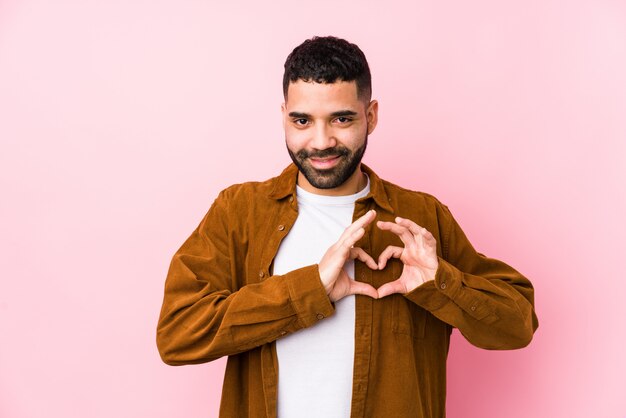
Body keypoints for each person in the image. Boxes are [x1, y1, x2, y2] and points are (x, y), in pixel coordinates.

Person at [156, 35, 539, 418]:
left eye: (342, 118)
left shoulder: (421, 216)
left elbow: (517, 325)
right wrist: (310, 289)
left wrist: (441, 284)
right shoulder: (239, 211)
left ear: (370, 116)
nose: (321, 142)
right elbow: (177, 334)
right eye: (302, 121)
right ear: (284, 116)